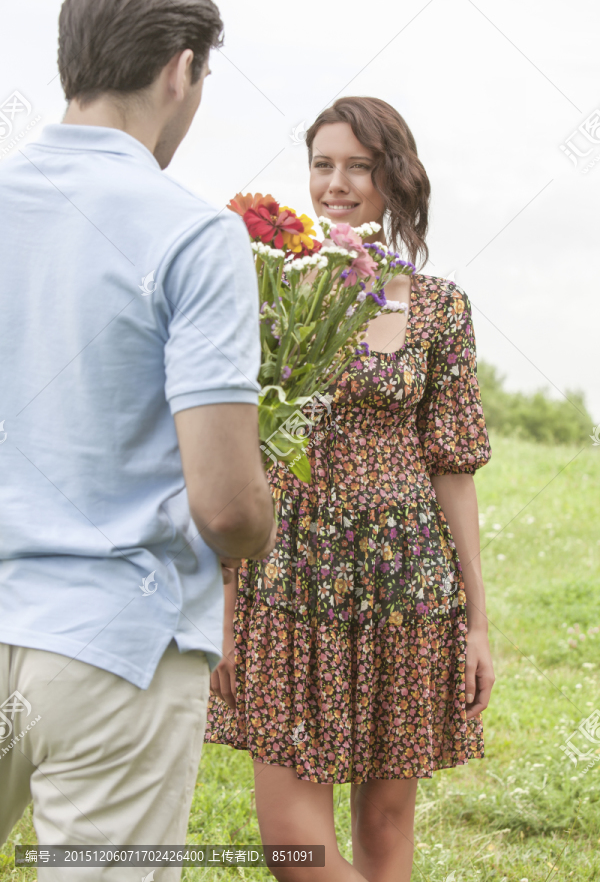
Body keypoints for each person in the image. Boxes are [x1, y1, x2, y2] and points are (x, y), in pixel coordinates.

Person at [0, 0, 276, 877]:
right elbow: (228, 505)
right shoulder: (195, 234)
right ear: (180, 70)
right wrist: (263, 524)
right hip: (117, 649)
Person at [205, 96, 495, 882]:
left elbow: (453, 467)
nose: (336, 183)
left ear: (393, 176)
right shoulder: (273, 289)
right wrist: (226, 607)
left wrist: (475, 621)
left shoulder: (437, 308)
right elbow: (242, 451)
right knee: (291, 844)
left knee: (386, 824)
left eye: (357, 165)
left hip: (406, 582)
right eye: (321, 164)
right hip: (289, 575)